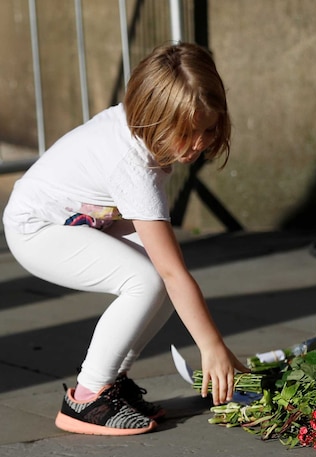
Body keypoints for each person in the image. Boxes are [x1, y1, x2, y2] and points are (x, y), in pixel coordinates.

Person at [2, 42, 248, 436]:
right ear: (153, 118)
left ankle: (111, 380)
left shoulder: (146, 132)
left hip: (79, 221)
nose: (200, 143)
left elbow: (172, 270)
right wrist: (211, 345)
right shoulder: (132, 164)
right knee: (149, 279)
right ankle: (88, 397)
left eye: (209, 128)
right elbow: (171, 272)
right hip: (36, 230)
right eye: (188, 133)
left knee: (161, 277)